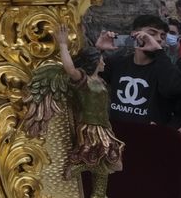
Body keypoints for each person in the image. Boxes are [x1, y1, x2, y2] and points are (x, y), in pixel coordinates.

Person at [24, 26, 122, 194]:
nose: (103, 62)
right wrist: (62, 44)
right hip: (91, 128)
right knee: (102, 159)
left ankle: (99, 194)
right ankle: (77, 166)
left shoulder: (99, 81)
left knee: (108, 162)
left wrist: (98, 49)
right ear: (94, 63)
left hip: (104, 127)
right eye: (101, 59)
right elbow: (70, 69)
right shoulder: (84, 81)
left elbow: (91, 59)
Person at [97, 13, 181, 126]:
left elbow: (173, 89)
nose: (158, 39)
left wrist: (159, 52)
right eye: (152, 34)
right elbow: (85, 78)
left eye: (162, 37)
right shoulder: (117, 63)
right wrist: (98, 51)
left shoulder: (165, 68)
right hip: (117, 134)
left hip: (148, 136)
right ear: (134, 35)